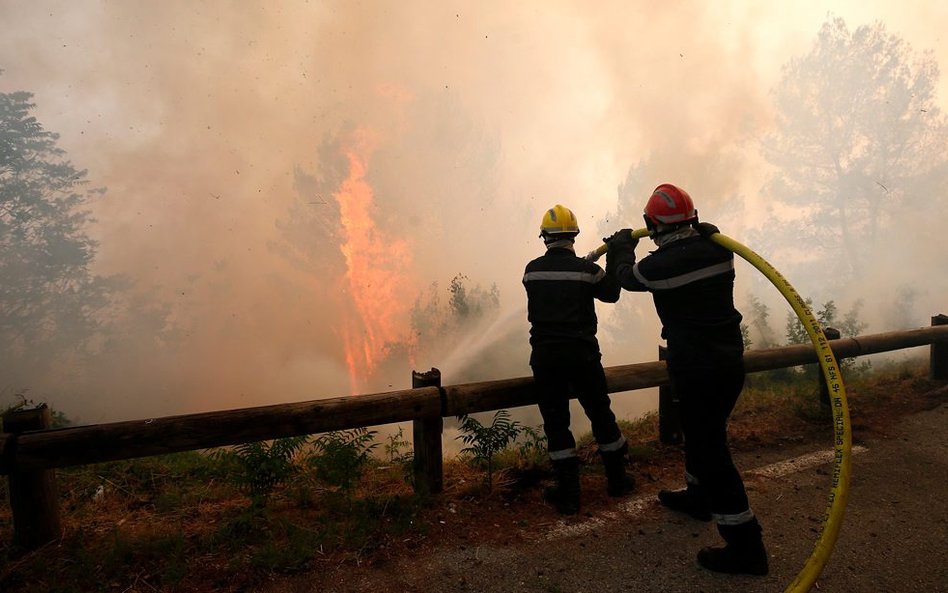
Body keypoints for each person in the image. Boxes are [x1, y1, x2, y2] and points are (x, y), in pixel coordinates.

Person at [604, 184, 769, 575]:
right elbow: (702, 237)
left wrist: (620, 246)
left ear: (652, 225)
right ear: (693, 219)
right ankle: (698, 498)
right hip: (727, 364)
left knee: (712, 451)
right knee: (701, 434)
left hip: (698, 369)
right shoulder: (719, 249)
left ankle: (747, 548)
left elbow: (626, 277)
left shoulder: (662, 266)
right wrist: (706, 228)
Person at [523, 204, 634, 515]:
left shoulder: (531, 270)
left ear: (544, 236)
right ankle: (618, 480)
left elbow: (556, 284)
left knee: (557, 424)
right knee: (601, 414)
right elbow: (611, 292)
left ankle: (569, 495)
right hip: (583, 356)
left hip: (546, 360)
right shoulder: (587, 272)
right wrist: (615, 254)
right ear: (575, 234)